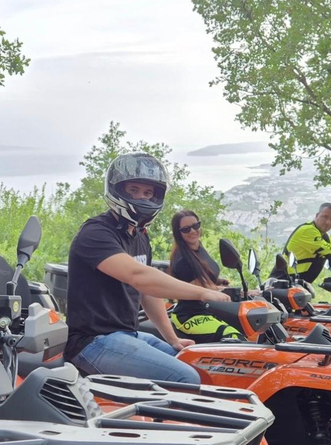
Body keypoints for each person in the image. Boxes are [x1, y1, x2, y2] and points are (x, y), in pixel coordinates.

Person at [63, 152, 230, 384]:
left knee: (200, 364)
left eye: (148, 192)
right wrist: (202, 292)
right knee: (185, 377)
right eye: (133, 190)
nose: (141, 197)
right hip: (92, 342)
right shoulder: (96, 232)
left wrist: (173, 339)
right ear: (117, 190)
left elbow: (147, 292)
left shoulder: (140, 236)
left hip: (128, 334)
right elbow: (139, 276)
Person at [168, 210, 244, 343]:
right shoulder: (182, 260)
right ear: (178, 233)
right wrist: (240, 293)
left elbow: (205, 276)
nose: (192, 231)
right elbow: (203, 289)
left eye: (195, 226)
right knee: (233, 337)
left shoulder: (198, 248)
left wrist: (219, 281)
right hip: (191, 315)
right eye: (186, 229)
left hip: (210, 310)